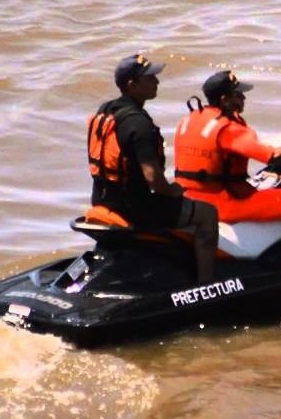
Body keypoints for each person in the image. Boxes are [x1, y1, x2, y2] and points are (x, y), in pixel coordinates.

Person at [173, 70, 281, 263]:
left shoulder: (189, 120)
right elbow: (273, 156)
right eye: (238, 94)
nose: (243, 97)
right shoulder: (229, 129)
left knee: (269, 181)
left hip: (190, 198)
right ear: (224, 99)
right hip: (223, 203)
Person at [88, 54, 218, 282]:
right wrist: (174, 191)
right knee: (207, 214)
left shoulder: (106, 111)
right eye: (149, 78)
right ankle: (206, 285)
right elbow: (154, 181)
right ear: (131, 85)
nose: (156, 82)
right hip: (137, 209)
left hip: (103, 199)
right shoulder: (139, 125)